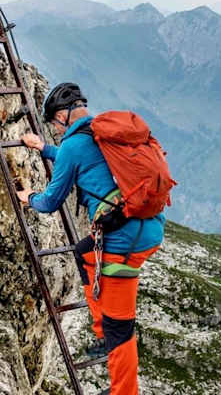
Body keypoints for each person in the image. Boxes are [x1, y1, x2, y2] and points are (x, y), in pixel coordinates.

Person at [16, 82, 165, 395]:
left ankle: (123, 390)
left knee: (119, 327)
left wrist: (29, 197)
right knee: (84, 252)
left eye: (55, 125)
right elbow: (81, 160)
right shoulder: (101, 133)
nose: (56, 131)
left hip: (124, 241)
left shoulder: (76, 144)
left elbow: (50, 202)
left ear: (61, 116)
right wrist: (43, 148)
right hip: (146, 226)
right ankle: (101, 336)